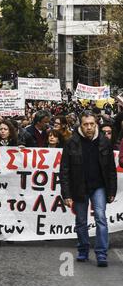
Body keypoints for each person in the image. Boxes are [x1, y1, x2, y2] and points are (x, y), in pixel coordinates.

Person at [60, 110, 117, 267]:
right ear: (81, 125)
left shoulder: (104, 141)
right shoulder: (72, 142)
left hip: (99, 186)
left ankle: (101, 254)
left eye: (92, 124)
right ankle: (83, 250)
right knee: (81, 221)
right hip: (79, 187)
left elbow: (111, 168)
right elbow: (64, 170)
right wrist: (66, 194)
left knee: (101, 217)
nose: (89, 127)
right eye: (86, 124)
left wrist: (111, 191)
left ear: (96, 124)